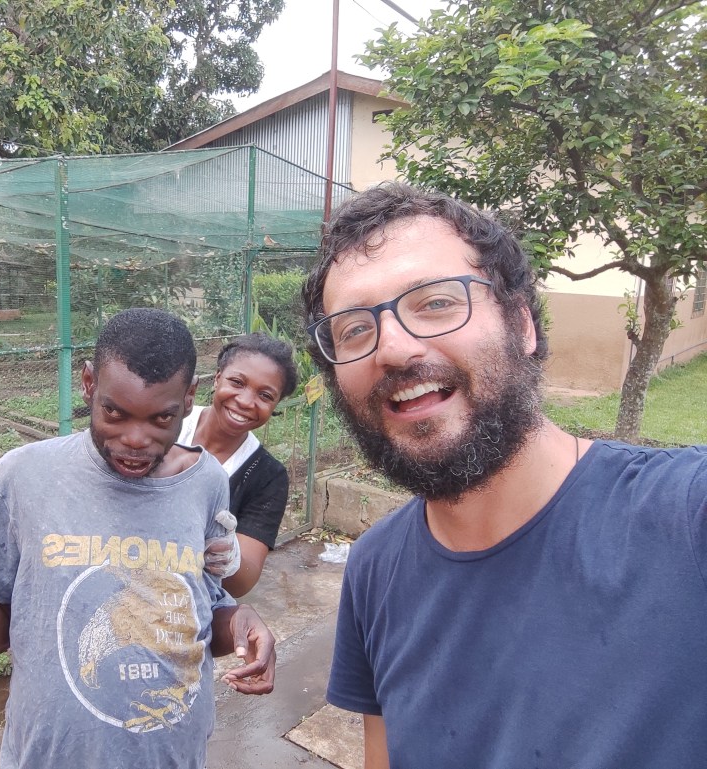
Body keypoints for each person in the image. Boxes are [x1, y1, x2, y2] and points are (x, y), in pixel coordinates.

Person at [302, 181, 707, 769]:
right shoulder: (373, 570)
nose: (391, 346)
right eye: (355, 329)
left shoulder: (683, 516)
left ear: (522, 324)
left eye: (435, 302)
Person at [0, 307, 277, 769]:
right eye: (114, 413)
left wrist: (239, 621)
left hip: (169, 753)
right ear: (87, 385)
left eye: (160, 419)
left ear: (188, 400)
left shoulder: (207, 483)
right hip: (48, 754)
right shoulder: (24, 474)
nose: (135, 439)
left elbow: (196, 613)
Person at [177, 332, 298, 596]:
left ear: (276, 404)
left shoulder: (267, 476)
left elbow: (244, 581)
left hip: (194, 603)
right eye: (237, 382)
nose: (245, 401)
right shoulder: (169, 423)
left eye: (265, 396)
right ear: (218, 377)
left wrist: (226, 554)